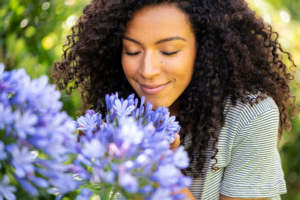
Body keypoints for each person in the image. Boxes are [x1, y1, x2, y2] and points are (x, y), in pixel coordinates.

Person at [50, 0, 298, 199]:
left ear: (203, 49)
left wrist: (160, 172)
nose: (147, 70)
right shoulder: (121, 108)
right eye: (132, 51)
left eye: (168, 51)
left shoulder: (252, 114)